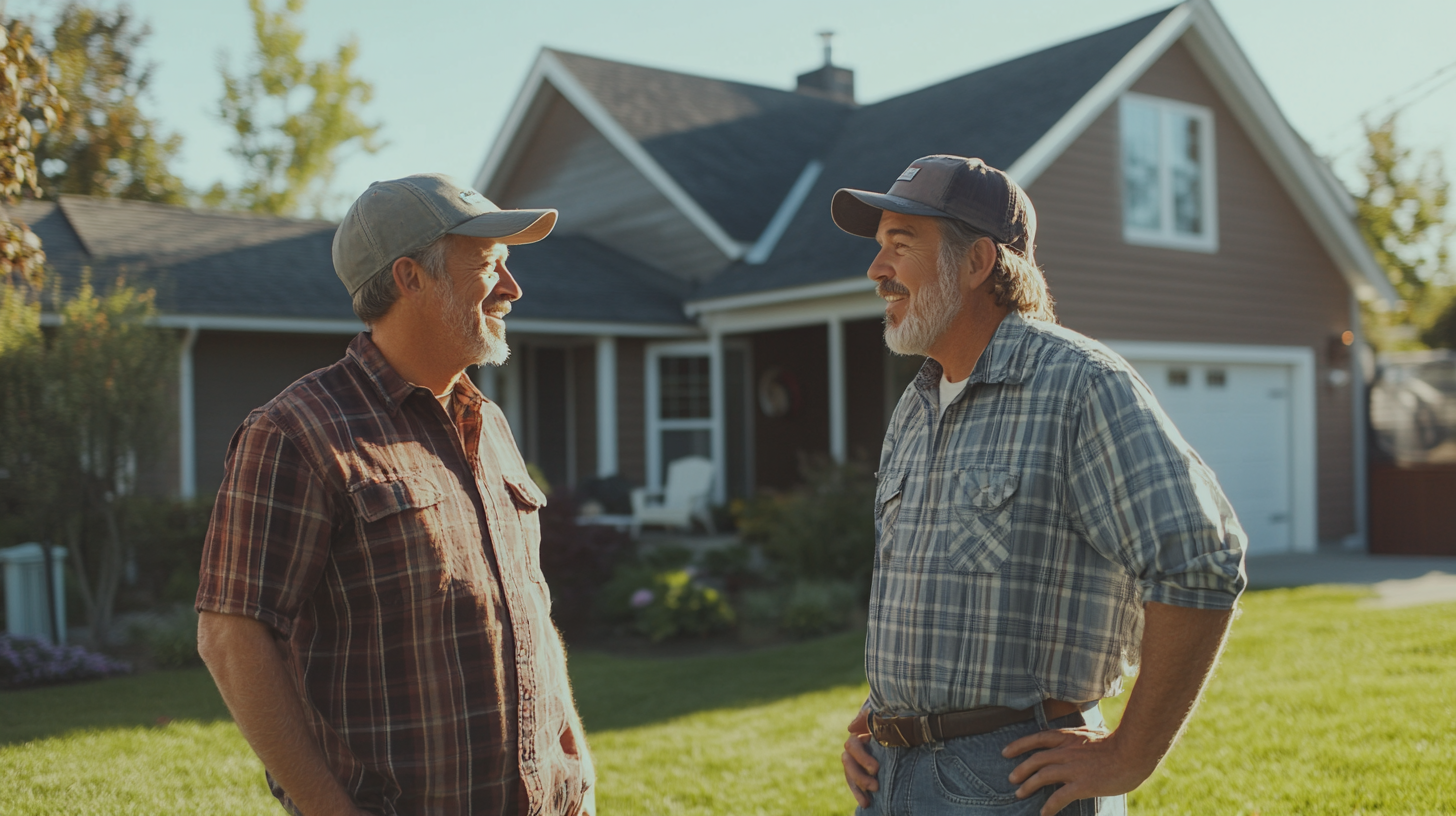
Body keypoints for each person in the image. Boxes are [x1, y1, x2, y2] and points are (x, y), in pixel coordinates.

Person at [832, 155, 1246, 816]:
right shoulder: (915, 406)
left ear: (977, 264)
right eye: (880, 247)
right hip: (889, 775)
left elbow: (1202, 560)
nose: (877, 271)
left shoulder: (1080, 384)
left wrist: (1129, 755)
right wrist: (889, 708)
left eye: (901, 246)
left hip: (1012, 781)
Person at [196, 174, 593, 816]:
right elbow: (230, 637)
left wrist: (577, 761)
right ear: (410, 277)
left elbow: (531, 604)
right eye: (490, 266)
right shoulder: (297, 431)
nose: (513, 289)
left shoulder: (488, 423)